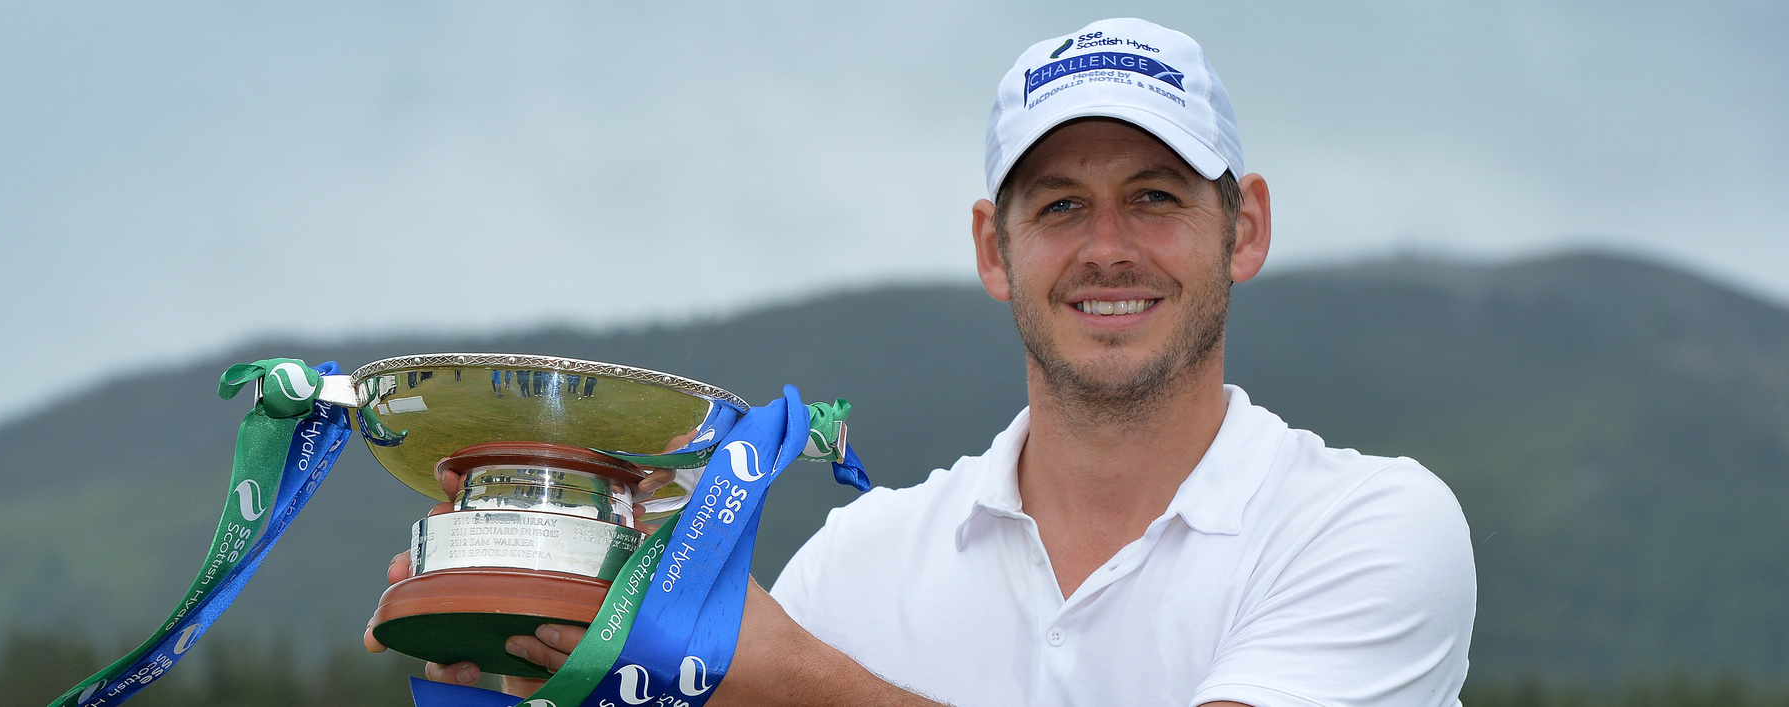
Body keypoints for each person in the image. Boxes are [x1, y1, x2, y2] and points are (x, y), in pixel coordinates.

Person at [381, 17, 1476, 706]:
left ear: (1244, 229)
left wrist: (796, 683)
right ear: (991, 250)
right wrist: (540, 661)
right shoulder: (857, 566)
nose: (1106, 246)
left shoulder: (1374, 526)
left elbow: (786, 679)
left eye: (1155, 196)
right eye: (1058, 204)